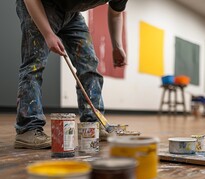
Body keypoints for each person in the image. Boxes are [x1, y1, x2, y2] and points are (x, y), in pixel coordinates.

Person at [14, 0, 127, 149]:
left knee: (89, 64)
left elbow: (116, 14)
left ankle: (92, 123)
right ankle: (27, 129)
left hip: (71, 14)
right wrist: (48, 33)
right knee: (34, 64)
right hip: (41, 5)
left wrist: (117, 46)